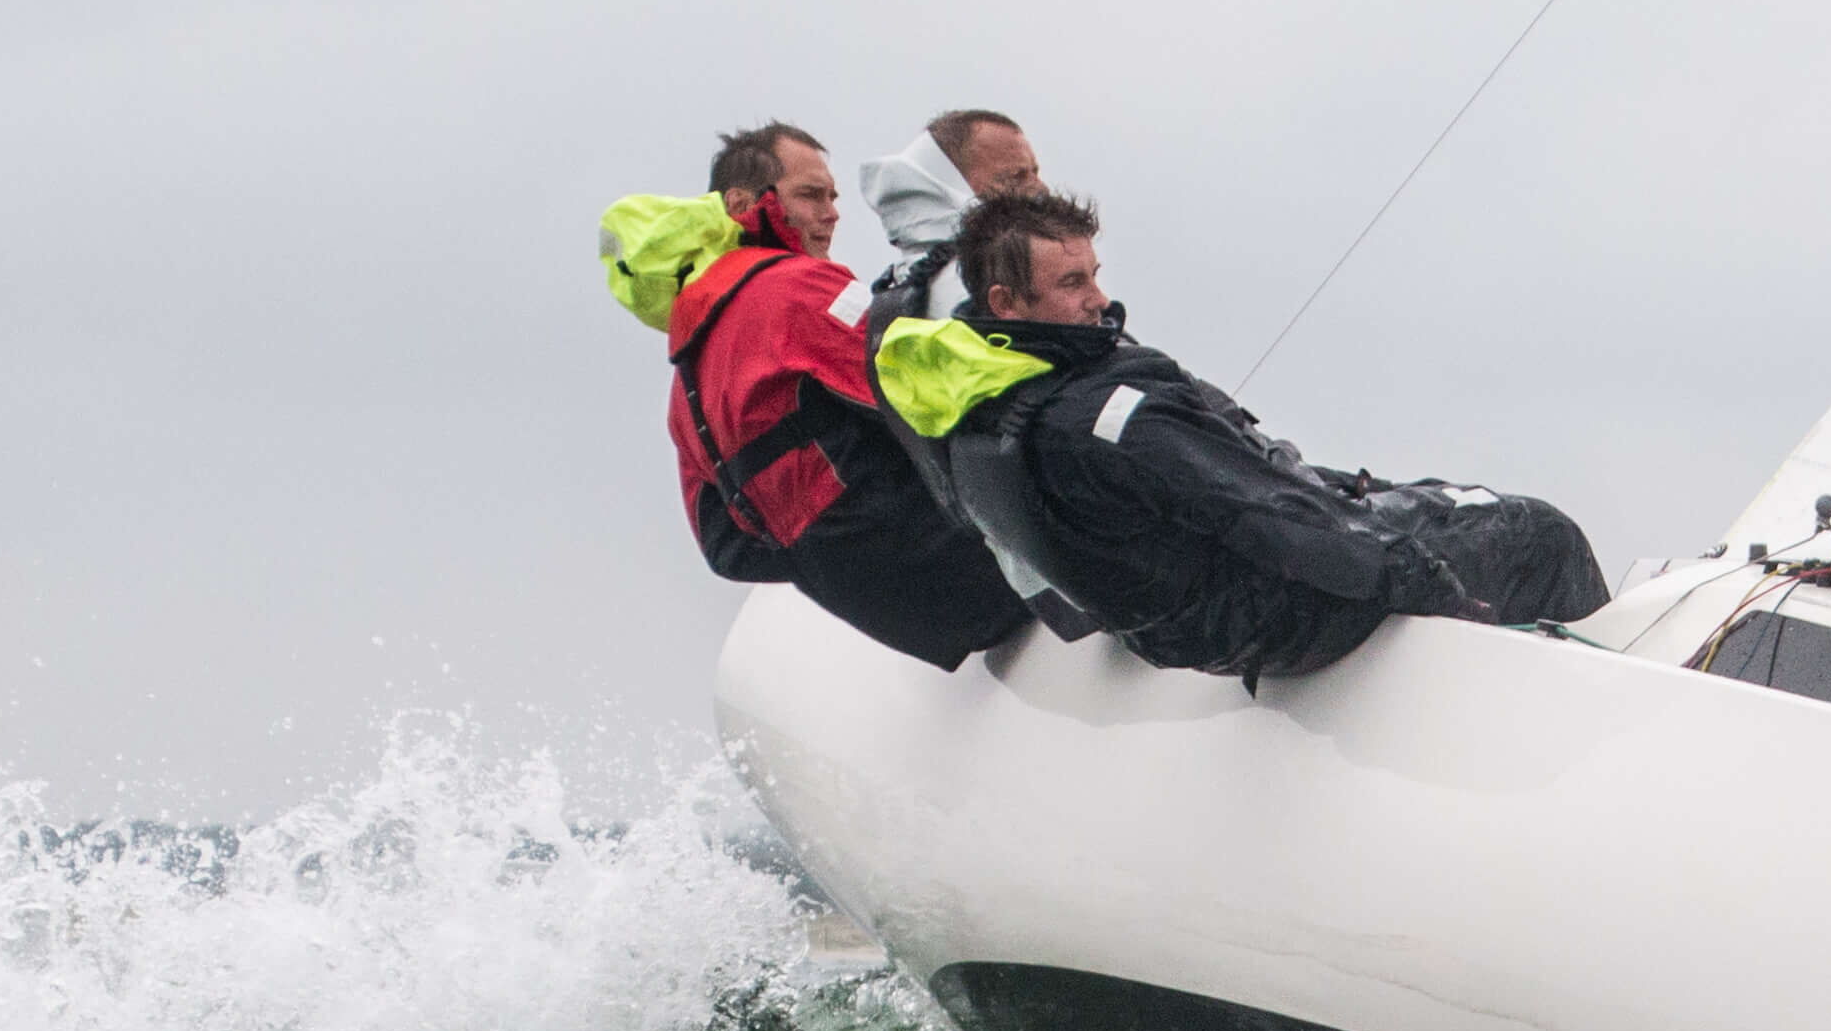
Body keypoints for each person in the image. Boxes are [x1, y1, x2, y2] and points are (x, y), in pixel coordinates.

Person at [869, 189, 1607, 680]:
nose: (1099, 301)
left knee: (1419, 500)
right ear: (1006, 300)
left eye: (1094, 275)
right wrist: (1437, 593)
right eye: (1071, 285)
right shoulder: (1112, 415)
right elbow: (1270, 520)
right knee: (1534, 530)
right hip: (1262, 620)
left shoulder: (969, 402)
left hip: (1173, 630)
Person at [597, 122, 1027, 667]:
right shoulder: (792, 290)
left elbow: (725, 549)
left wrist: (817, 549)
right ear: (741, 204)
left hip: (880, 606)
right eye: (810, 195)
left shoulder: (685, 385)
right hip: (938, 554)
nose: (832, 212)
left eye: (833, 196)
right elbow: (931, 379)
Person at [856, 109, 1044, 320]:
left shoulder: (900, 283)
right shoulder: (979, 282)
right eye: (1016, 177)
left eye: (1034, 173)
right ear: (952, 182)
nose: (1041, 189)